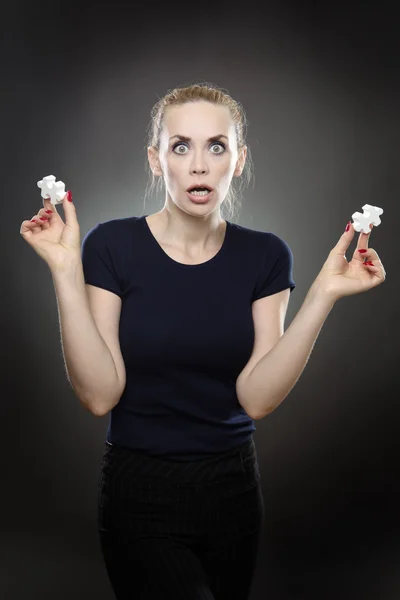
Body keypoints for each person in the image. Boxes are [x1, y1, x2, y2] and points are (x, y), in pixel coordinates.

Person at [20, 83, 386, 599]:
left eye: (217, 146)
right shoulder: (110, 245)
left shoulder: (266, 257)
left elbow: (256, 398)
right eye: (180, 146)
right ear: (155, 160)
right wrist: (64, 268)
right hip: (138, 492)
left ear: (238, 161)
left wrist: (324, 292)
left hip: (233, 493)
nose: (198, 165)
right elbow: (100, 394)